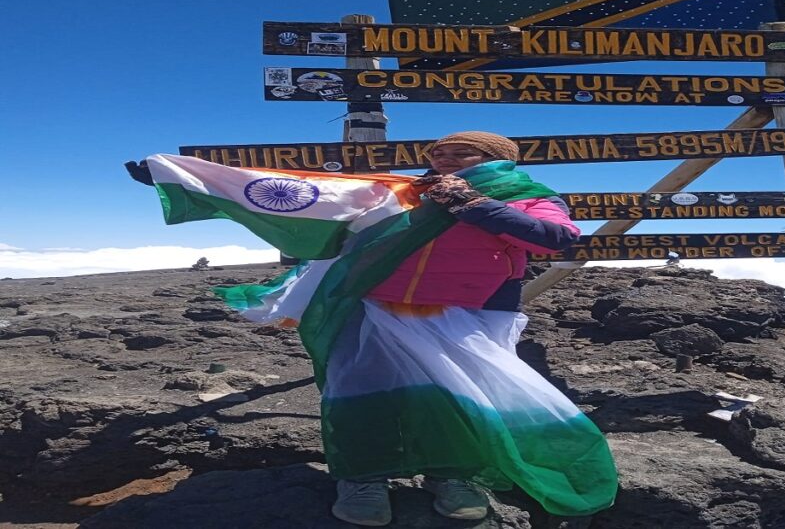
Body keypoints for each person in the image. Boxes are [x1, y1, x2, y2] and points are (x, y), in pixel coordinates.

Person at [127, 131, 618, 527]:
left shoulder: (525, 197)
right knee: (359, 389)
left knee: (461, 396)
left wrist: (472, 204)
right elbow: (301, 195)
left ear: (498, 159)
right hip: (374, 306)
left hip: (467, 314)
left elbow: (555, 239)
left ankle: (455, 476)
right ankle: (363, 478)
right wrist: (182, 179)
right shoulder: (402, 193)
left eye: (461, 153)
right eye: (438, 153)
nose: (445, 159)